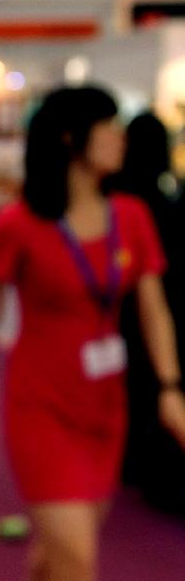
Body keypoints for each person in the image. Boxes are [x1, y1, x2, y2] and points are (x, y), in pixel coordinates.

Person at [0, 87, 185, 581]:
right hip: (41, 407)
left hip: (106, 407)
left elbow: (155, 310)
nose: (119, 137)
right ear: (71, 138)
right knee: (78, 562)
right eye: (108, 125)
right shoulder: (18, 225)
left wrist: (170, 388)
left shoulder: (131, 216)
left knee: (58, 553)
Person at [113, 113, 185, 515]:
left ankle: (132, 463)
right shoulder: (156, 202)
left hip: (125, 310)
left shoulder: (117, 199)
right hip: (161, 307)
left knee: (135, 384)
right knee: (155, 385)